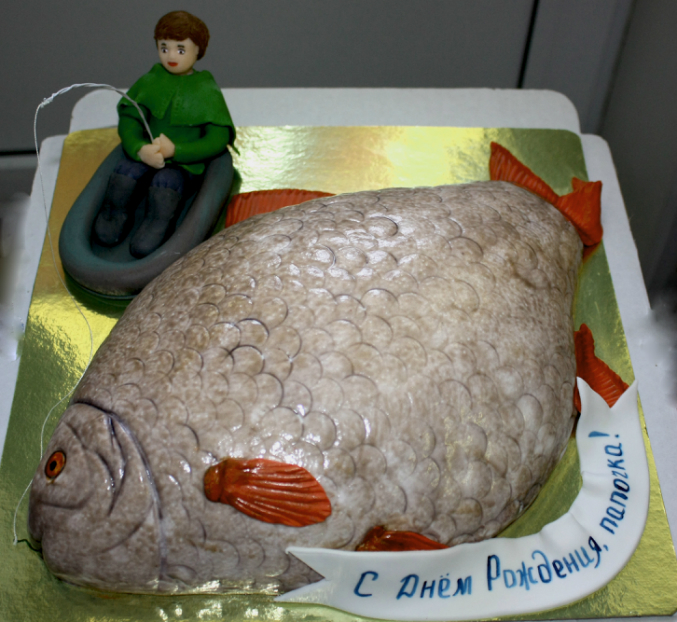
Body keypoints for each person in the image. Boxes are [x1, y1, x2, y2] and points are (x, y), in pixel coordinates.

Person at [93, 10, 236, 258]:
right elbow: (130, 118)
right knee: (125, 173)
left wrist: (177, 151)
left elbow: (217, 138)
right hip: (147, 153)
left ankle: (157, 226)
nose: (170, 56)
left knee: (166, 183)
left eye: (180, 49)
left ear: (197, 50)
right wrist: (139, 147)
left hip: (185, 166)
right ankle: (115, 215)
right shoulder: (151, 80)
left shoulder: (206, 89)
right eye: (164, 47)